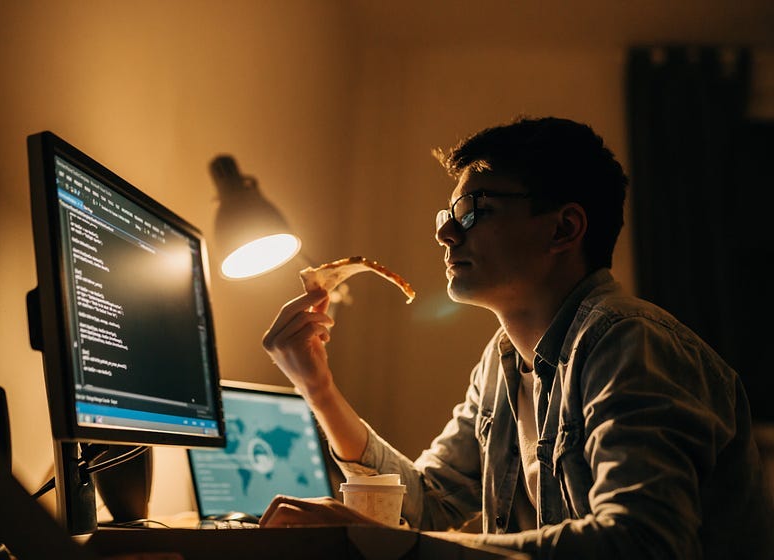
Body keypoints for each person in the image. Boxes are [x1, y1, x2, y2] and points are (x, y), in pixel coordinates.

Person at [259, 116, 774, 558]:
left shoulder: (628, 343)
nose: (445, 233)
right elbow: (430, 501)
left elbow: (640, 543)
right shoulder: (501, 362)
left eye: (472, 210)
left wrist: (388, 547)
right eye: (446, 217)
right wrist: (319, 390)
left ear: (563, 229)